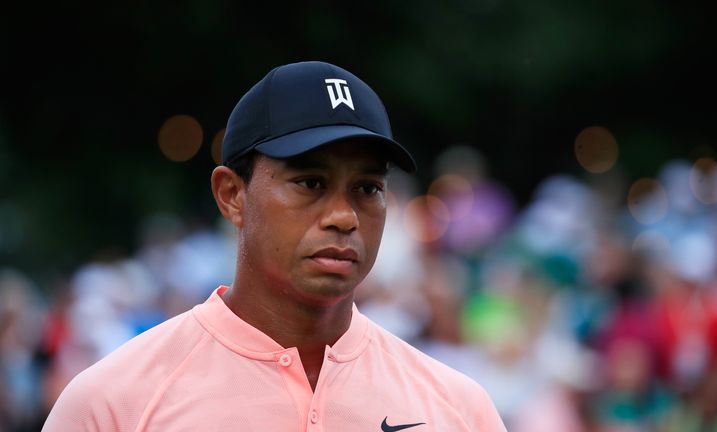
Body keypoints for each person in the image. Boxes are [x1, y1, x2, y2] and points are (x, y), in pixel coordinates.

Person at [43, 61, 507, 431]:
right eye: (310, 182)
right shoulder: (113, 403)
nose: (343, 216)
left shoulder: (460, 409)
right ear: (231, 195)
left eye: (367, 188)